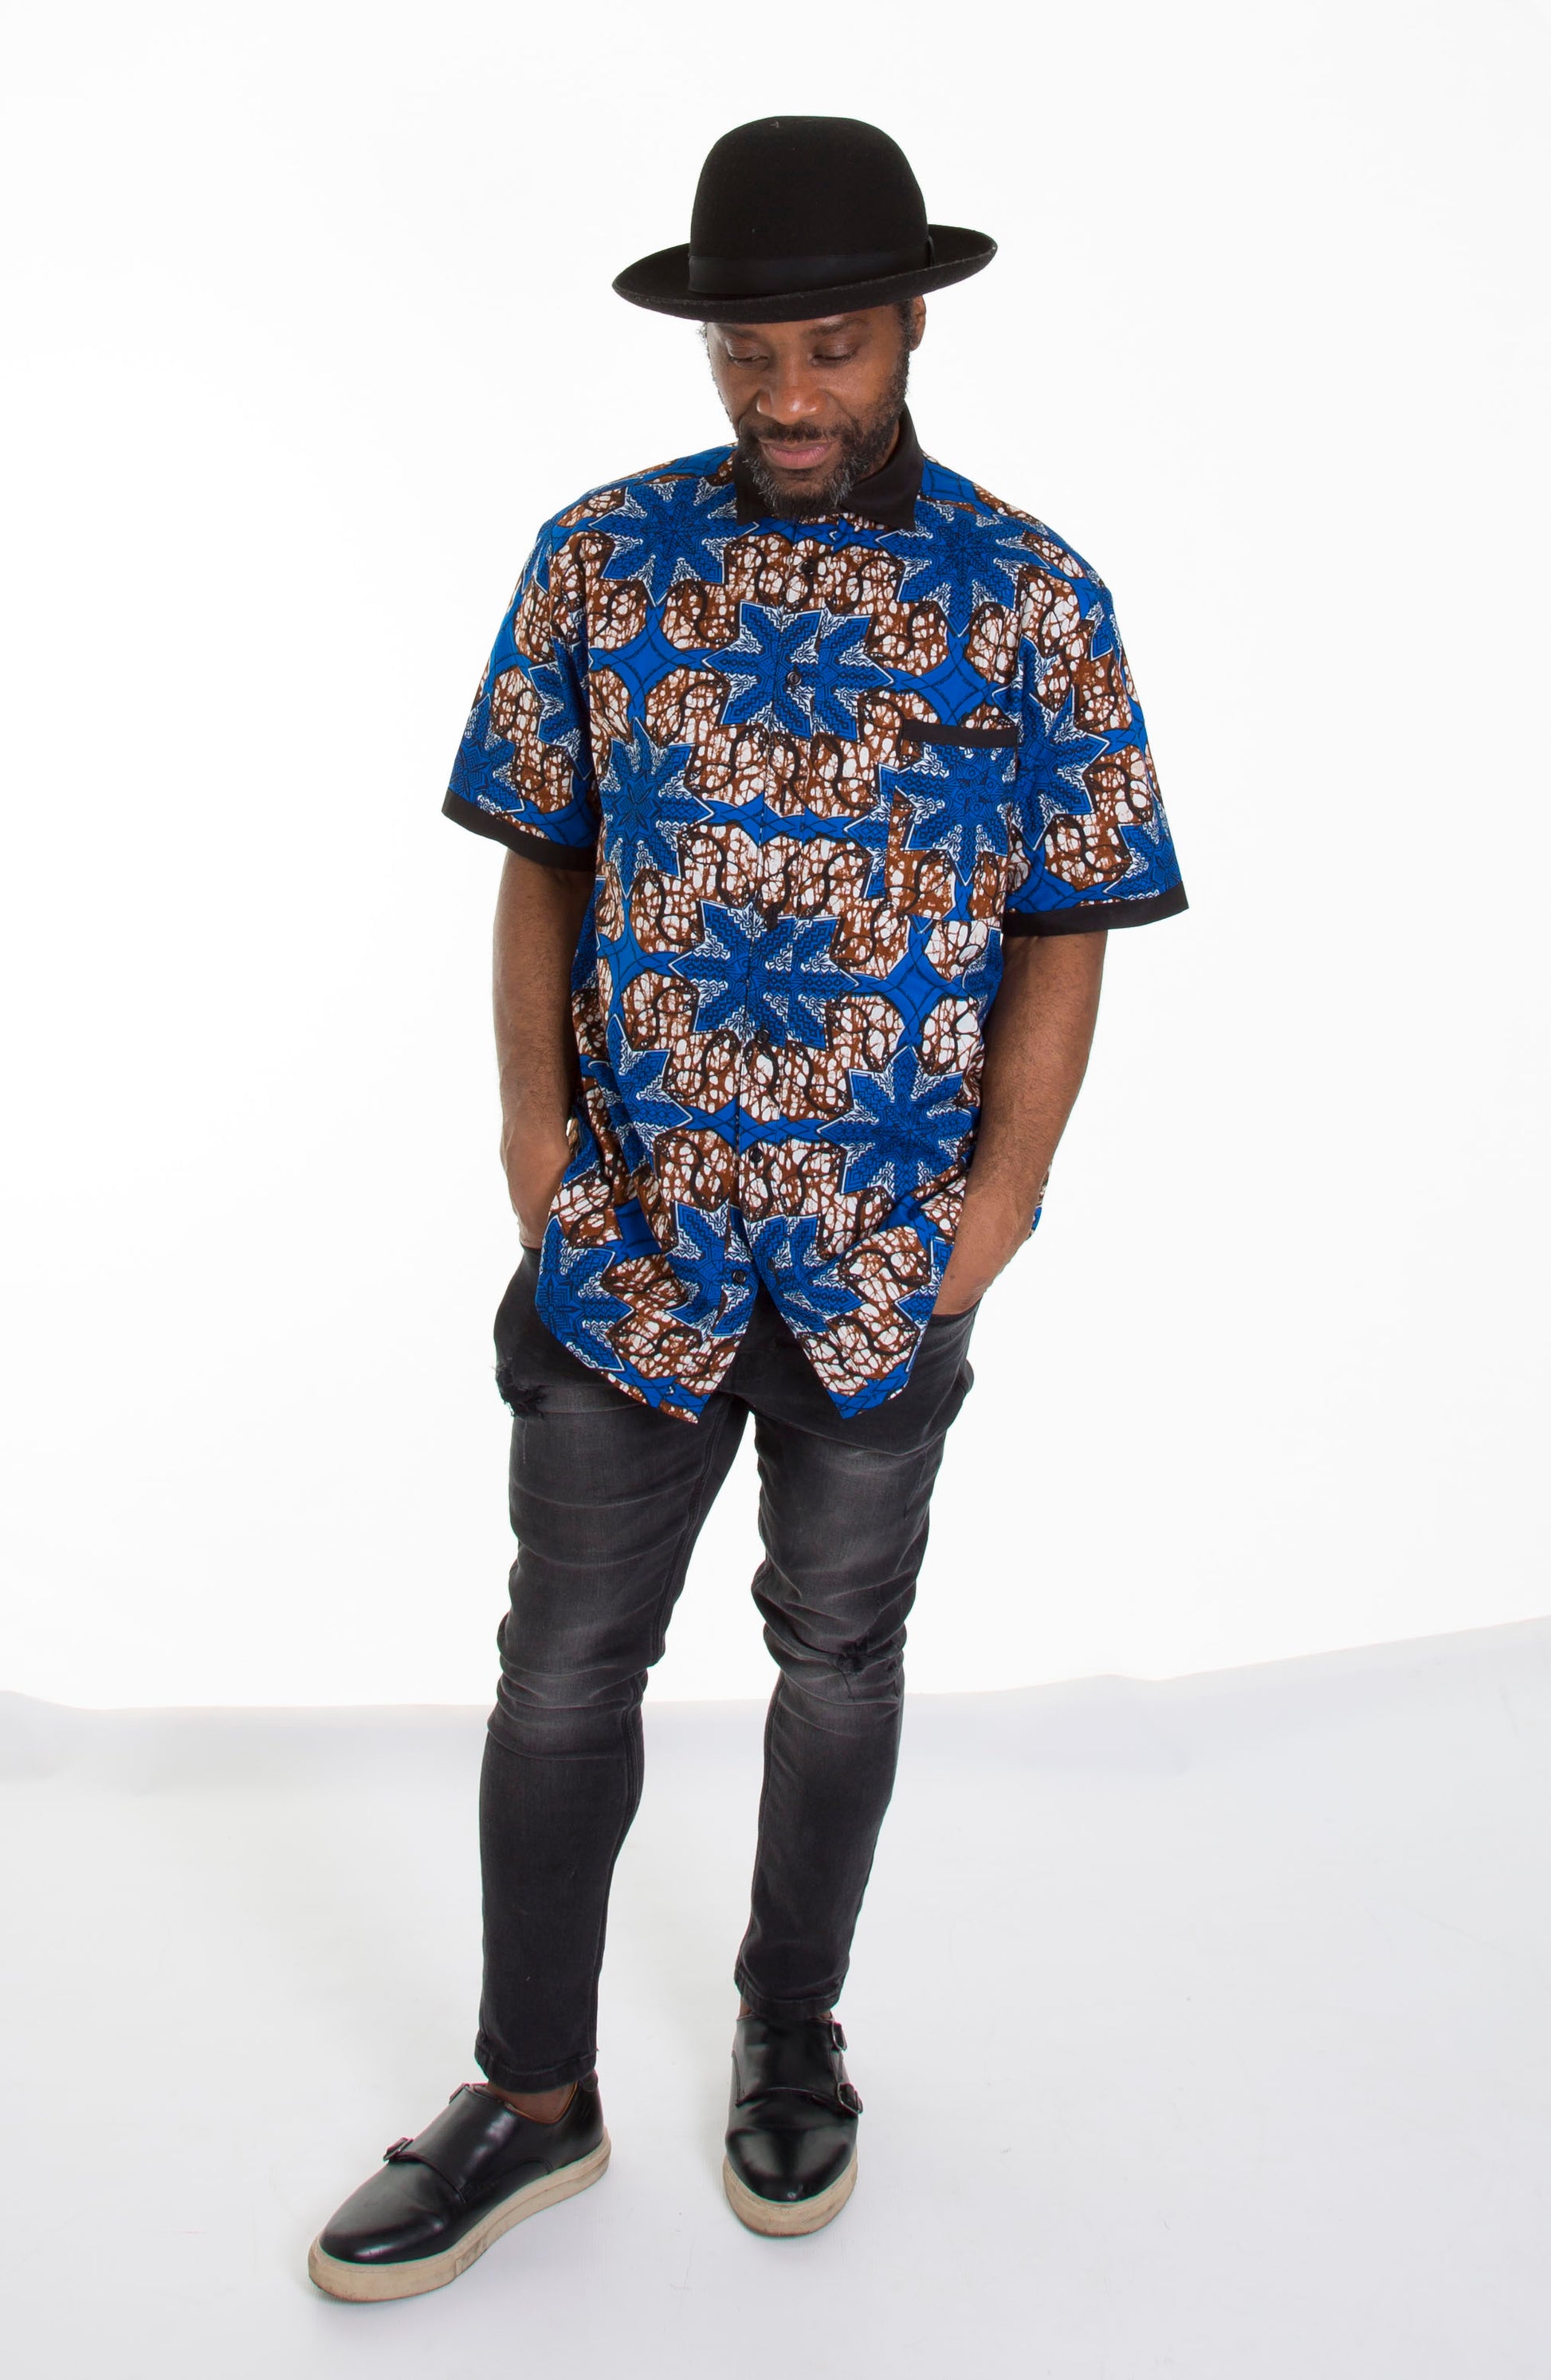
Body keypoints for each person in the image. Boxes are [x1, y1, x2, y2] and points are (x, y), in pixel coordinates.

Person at [308, 114, 1186, 2300]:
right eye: (747, 354)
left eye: (830, 346)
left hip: (882, 1259)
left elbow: (1068, 920)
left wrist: (998, 1212)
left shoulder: (1033, 598)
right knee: (559, 1674)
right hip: (633, 1248)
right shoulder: (600, 563)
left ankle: (793, 2029)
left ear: (910, 330)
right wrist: (536, 1154)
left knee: (840, 1659)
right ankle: (531, 2096)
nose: (786, 395)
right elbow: (542, 858)